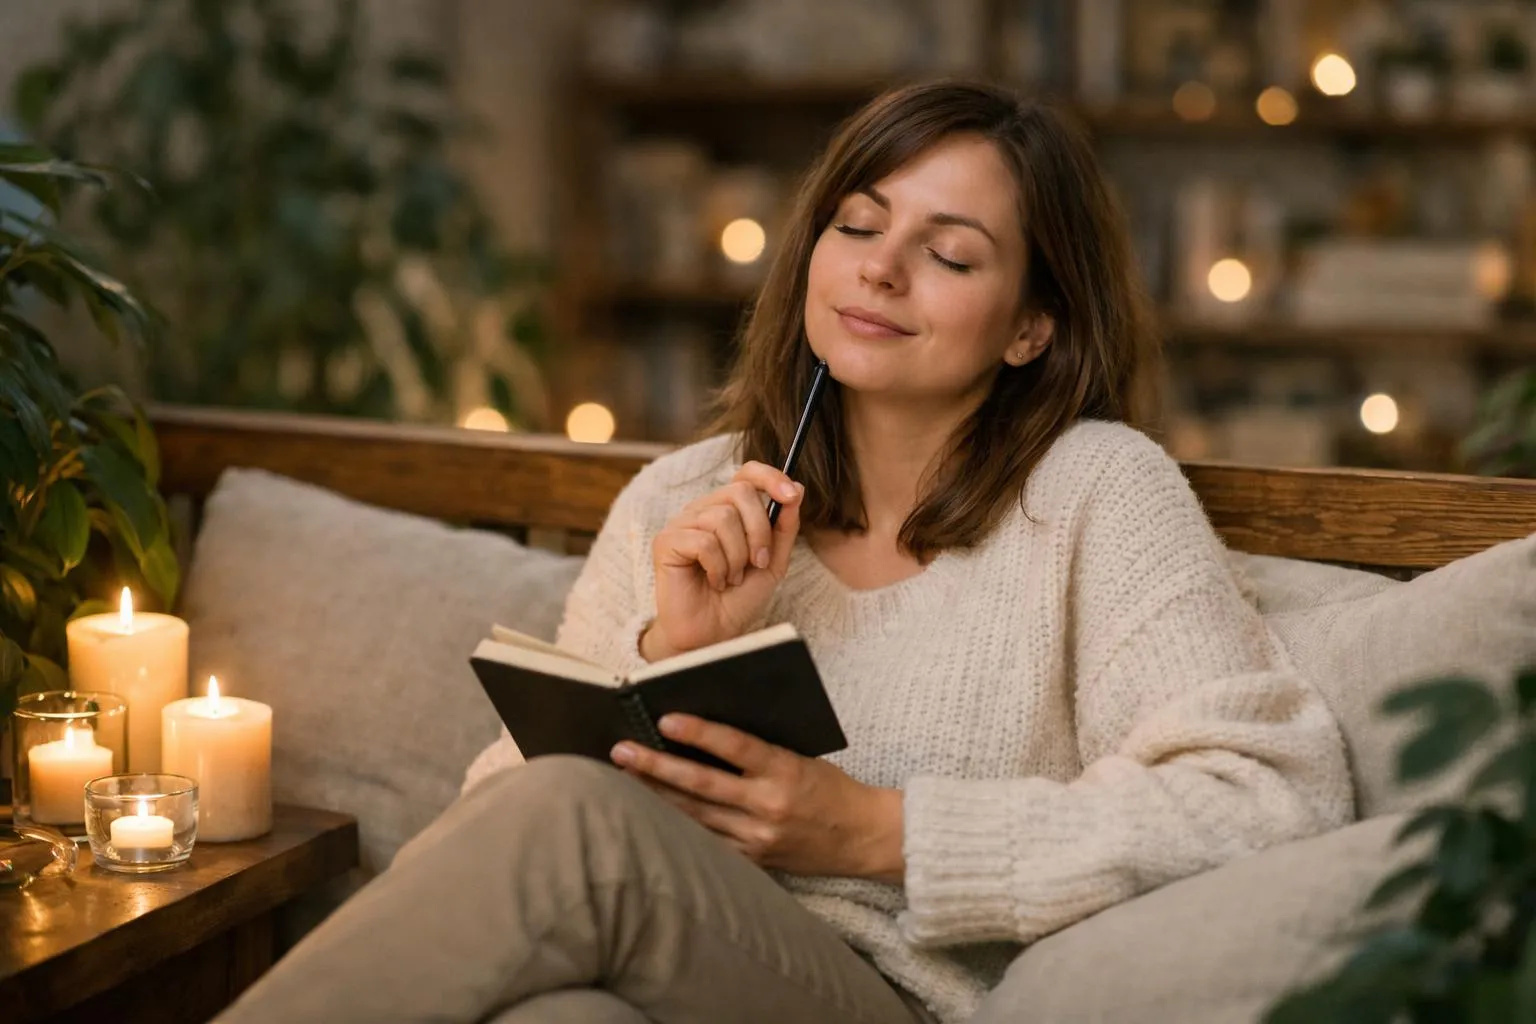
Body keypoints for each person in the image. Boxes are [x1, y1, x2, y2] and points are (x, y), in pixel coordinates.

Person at [217, 79, 1352, 1024]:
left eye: (948, 254)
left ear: (1029, 326)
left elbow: (1266, 796)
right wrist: (671, 649)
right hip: (651, 971)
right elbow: (486, 834)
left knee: (572, 822)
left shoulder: (1097, 492)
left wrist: (880, 832)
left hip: (885, 997)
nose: (880, 268)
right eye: (856, 225)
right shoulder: (684, 494)